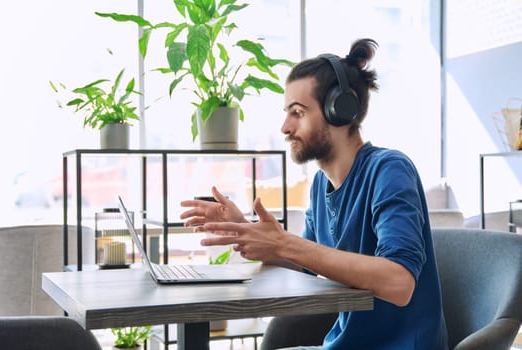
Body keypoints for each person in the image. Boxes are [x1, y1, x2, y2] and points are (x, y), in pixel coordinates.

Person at [180, 38, 448, 350]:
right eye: (286, 112)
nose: (284, 126)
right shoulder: (321, 185)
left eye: (297, 112)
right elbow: (306, 264)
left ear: (340, 111)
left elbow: (399, 282)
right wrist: (248, 231)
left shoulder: (389, 170)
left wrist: (286, 243)